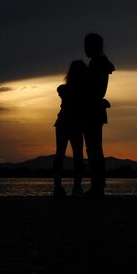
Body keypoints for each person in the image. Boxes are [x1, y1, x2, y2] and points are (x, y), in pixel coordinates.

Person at [83, 32, 115, 198]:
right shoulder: (98, 63)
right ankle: (97, 186)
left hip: (93, 109)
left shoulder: (98, 64)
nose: (85, 49)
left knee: (94, 149)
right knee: (93, 149)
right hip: (93, 108)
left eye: (87, 46)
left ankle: (97, 187)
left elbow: (96, 89)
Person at [53, 60, 88, 198]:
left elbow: (60, 89)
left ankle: (60, 186)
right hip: (73, 124)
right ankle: (75, 187)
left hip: (65, 123)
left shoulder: (67, 89)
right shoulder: (81, 90)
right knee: (76, 155)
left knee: (61, 154)